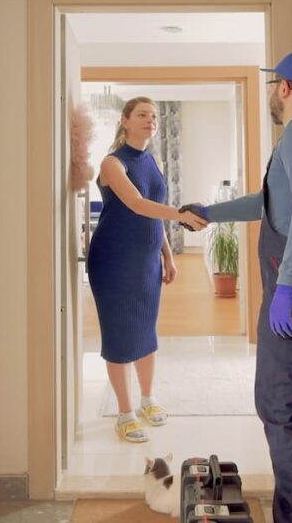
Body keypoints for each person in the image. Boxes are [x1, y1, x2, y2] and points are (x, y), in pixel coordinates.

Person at [182, 52, 292, 522]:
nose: (269, 94)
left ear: (284, 87)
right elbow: (275, 204)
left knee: (285, 414)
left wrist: (288, 287)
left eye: (271, 85)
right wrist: (213, 212)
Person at [86, 96, 208, 443]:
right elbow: (138, 205)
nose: (150, 120)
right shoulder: (112, 163)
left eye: (153, 116)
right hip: (113, 260)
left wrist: (167, 254)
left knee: (145, 331)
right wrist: (182, 215)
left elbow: (153, 215)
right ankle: (125, 414)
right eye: (142, 114)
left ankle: (148, 399)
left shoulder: (154, 160)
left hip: (146, 261)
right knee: (119, 335)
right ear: (125, 121)